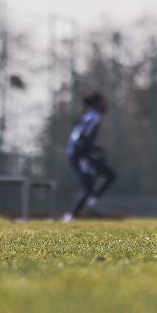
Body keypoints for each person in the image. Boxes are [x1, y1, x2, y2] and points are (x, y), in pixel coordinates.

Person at [63, 93, 117, 221]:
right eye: (104, 102)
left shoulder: (89, 116)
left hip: (80, 153)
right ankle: (71, 216)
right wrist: (93, 150)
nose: (106, 105)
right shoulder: (94, 117)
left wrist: (95, 150)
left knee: (107, 174)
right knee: (89, 184)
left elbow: (82, 137)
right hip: (79, 154)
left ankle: (89, 204)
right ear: (98, 103)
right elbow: (81, 138)